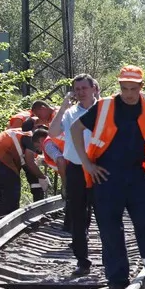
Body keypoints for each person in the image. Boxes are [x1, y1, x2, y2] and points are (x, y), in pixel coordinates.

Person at [71, 66, 145, 289]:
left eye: (133, 89)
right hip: (106, 176)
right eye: (124, 88)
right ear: (119, 86)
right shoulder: (105, 106)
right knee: (110, 230)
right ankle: (117, 281)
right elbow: (75, 128)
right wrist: (86, 164)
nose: (128, 93)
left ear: (141, 87)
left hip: (136, 175)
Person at [48, 74, 98, 275]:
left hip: (100, 168)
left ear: (94, 88)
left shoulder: (104, 110)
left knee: (106, 215)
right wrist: (62, 106)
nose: (80, 93)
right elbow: (52, 133)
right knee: (77, 215)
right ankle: (82, 261)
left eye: (84, 88)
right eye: (77, 90)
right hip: (76, 168)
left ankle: (111, 261)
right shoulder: (70, 113)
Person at [0, 126, 48, 217]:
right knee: (12, 186)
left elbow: (26, 164)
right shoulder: (30, 139)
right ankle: (7, 217)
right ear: (41, 140)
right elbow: (30, 162)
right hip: (1, 156)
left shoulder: (23, 136)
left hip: (1, 154)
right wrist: (43, 177)